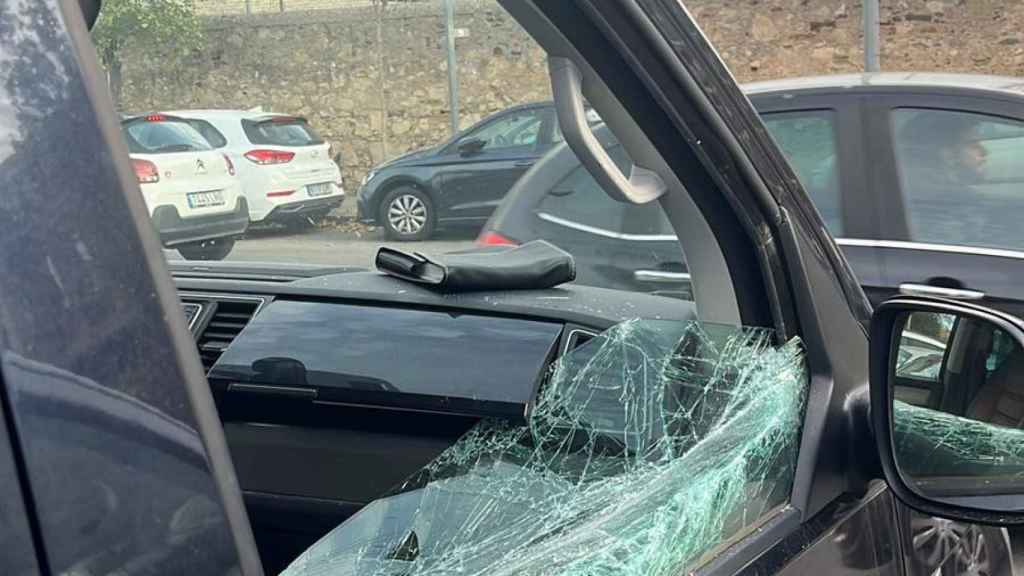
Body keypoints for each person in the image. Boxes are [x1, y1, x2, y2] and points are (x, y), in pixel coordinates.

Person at [895, 111, 990, 246]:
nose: (984, 151)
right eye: (973, 144)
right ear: (947, 154)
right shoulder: (954, 204)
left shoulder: (909, 198)